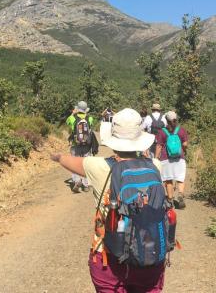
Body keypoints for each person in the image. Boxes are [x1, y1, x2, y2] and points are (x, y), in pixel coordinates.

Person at [51, 108, 167, 292]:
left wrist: (55, 156)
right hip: (148, 254)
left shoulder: (96, 166)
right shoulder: (156, 165)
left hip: (108, 258)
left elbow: (66, 160)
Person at [154, 111, 189, 209]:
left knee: (168, 179)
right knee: (180, 178)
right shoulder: (181, 130)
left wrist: (156, 158)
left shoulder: (162, 131)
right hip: (179, 158)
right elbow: (185, 144)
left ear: (166, 120)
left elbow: (159, 146)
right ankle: (181, 194)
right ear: (176, 119)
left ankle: (170, 199)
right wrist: (184, 150)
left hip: (166, 159)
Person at [66, 101, 95, 193]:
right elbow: (90, 128)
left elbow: (67, 123)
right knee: (85, 165)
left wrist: (73, 113)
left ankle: (77, 181)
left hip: (76, 145)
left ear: (77, 109)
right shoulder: (90, 118)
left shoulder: (72, 118)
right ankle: (86, 185)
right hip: (86, 145)